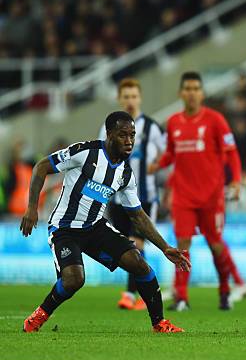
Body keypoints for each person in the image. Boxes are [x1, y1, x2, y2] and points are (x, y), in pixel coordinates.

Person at [21, 111, 190, 333]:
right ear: (109, 134)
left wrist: (165, 247)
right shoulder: (85, 152)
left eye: (132, 135)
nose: (129, 141)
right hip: (64, 228)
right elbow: (42, 166)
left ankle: (159, 323)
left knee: (139, 264)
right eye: (123, 135)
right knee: (74, 280)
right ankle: (38, 316)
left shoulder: (125, 175)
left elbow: (138, 215)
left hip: (95, 227)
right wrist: (32, 208)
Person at [149, 71, 246, 311]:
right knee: (182, 245)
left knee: (216, 245)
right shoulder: (173, 122)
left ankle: (225, 290)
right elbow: (173, 154)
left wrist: (235, 181)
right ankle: (181, 297)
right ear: (181, 93)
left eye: (196, 89)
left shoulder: (215, 120)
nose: (192, 93)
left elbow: (231, 152)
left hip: (212, 197)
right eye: (188, 89)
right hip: (183, 196)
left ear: (202, 93)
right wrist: (157, 165)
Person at [98, 78, 166, 311]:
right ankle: (137, 293)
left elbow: (167, 154)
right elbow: (99, 156)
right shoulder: (106, 129)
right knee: (123, 245)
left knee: (137, 242)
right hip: (116, 198)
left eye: (133, 96)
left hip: (144, 196)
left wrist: (157, 165)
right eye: (125, 96)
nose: (130, 100)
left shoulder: (151, 127)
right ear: (120, 98)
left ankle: (129, 293)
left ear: (140, 98)